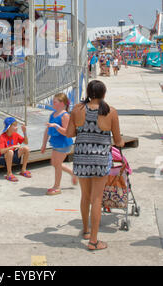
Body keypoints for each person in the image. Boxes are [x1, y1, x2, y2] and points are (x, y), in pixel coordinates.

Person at [65, 80, 124, 251]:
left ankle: (86, 231)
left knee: (85, 196)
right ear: (104, 94)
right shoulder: (111, 111)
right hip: (100, 160)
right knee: (97, 199)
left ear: (89, 92)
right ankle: (94, 241)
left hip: (82, 158)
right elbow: (118, 139)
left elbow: (70, 133)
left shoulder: (77, 109)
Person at [41, 93, 77, 195]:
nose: (53, 103)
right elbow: (47, 130)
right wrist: (44, 144)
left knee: (57, 165)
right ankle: (73, 174)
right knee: (55, 163)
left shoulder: (65, 115)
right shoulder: (52, 114)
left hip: (63, 143)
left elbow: (67, 132)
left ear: (62, 103)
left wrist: (56, 126)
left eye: (55, 102)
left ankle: (57, 187)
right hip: (56, 143)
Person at [0, 117, 31, 182]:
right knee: (10, 151)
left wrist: (24, 132)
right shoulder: (2, 137)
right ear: (9, 127)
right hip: (2, 158)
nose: (17, 127)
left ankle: (23, 170)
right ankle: (9, 174)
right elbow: (1, 151)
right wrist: (13, 146)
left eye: (16, 125)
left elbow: (26, 142)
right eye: (14, 125)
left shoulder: (15, 134)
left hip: (11, 156)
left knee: (26, 148)